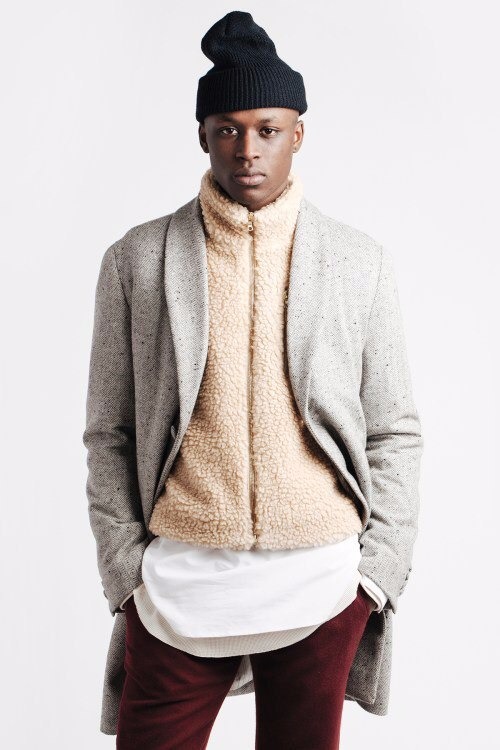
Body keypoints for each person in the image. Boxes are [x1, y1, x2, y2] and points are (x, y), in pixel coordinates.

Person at [83, 10, 423, 749]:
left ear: (298, 133)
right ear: (203, 136)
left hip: (322, 582)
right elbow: (109, 432)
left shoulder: (358, 262)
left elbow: (394, 429)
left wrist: (376, 575)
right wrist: (126, 573)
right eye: (227, 130)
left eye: (267, 129)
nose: (247, 150)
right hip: (179, 582)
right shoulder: (136, 261)